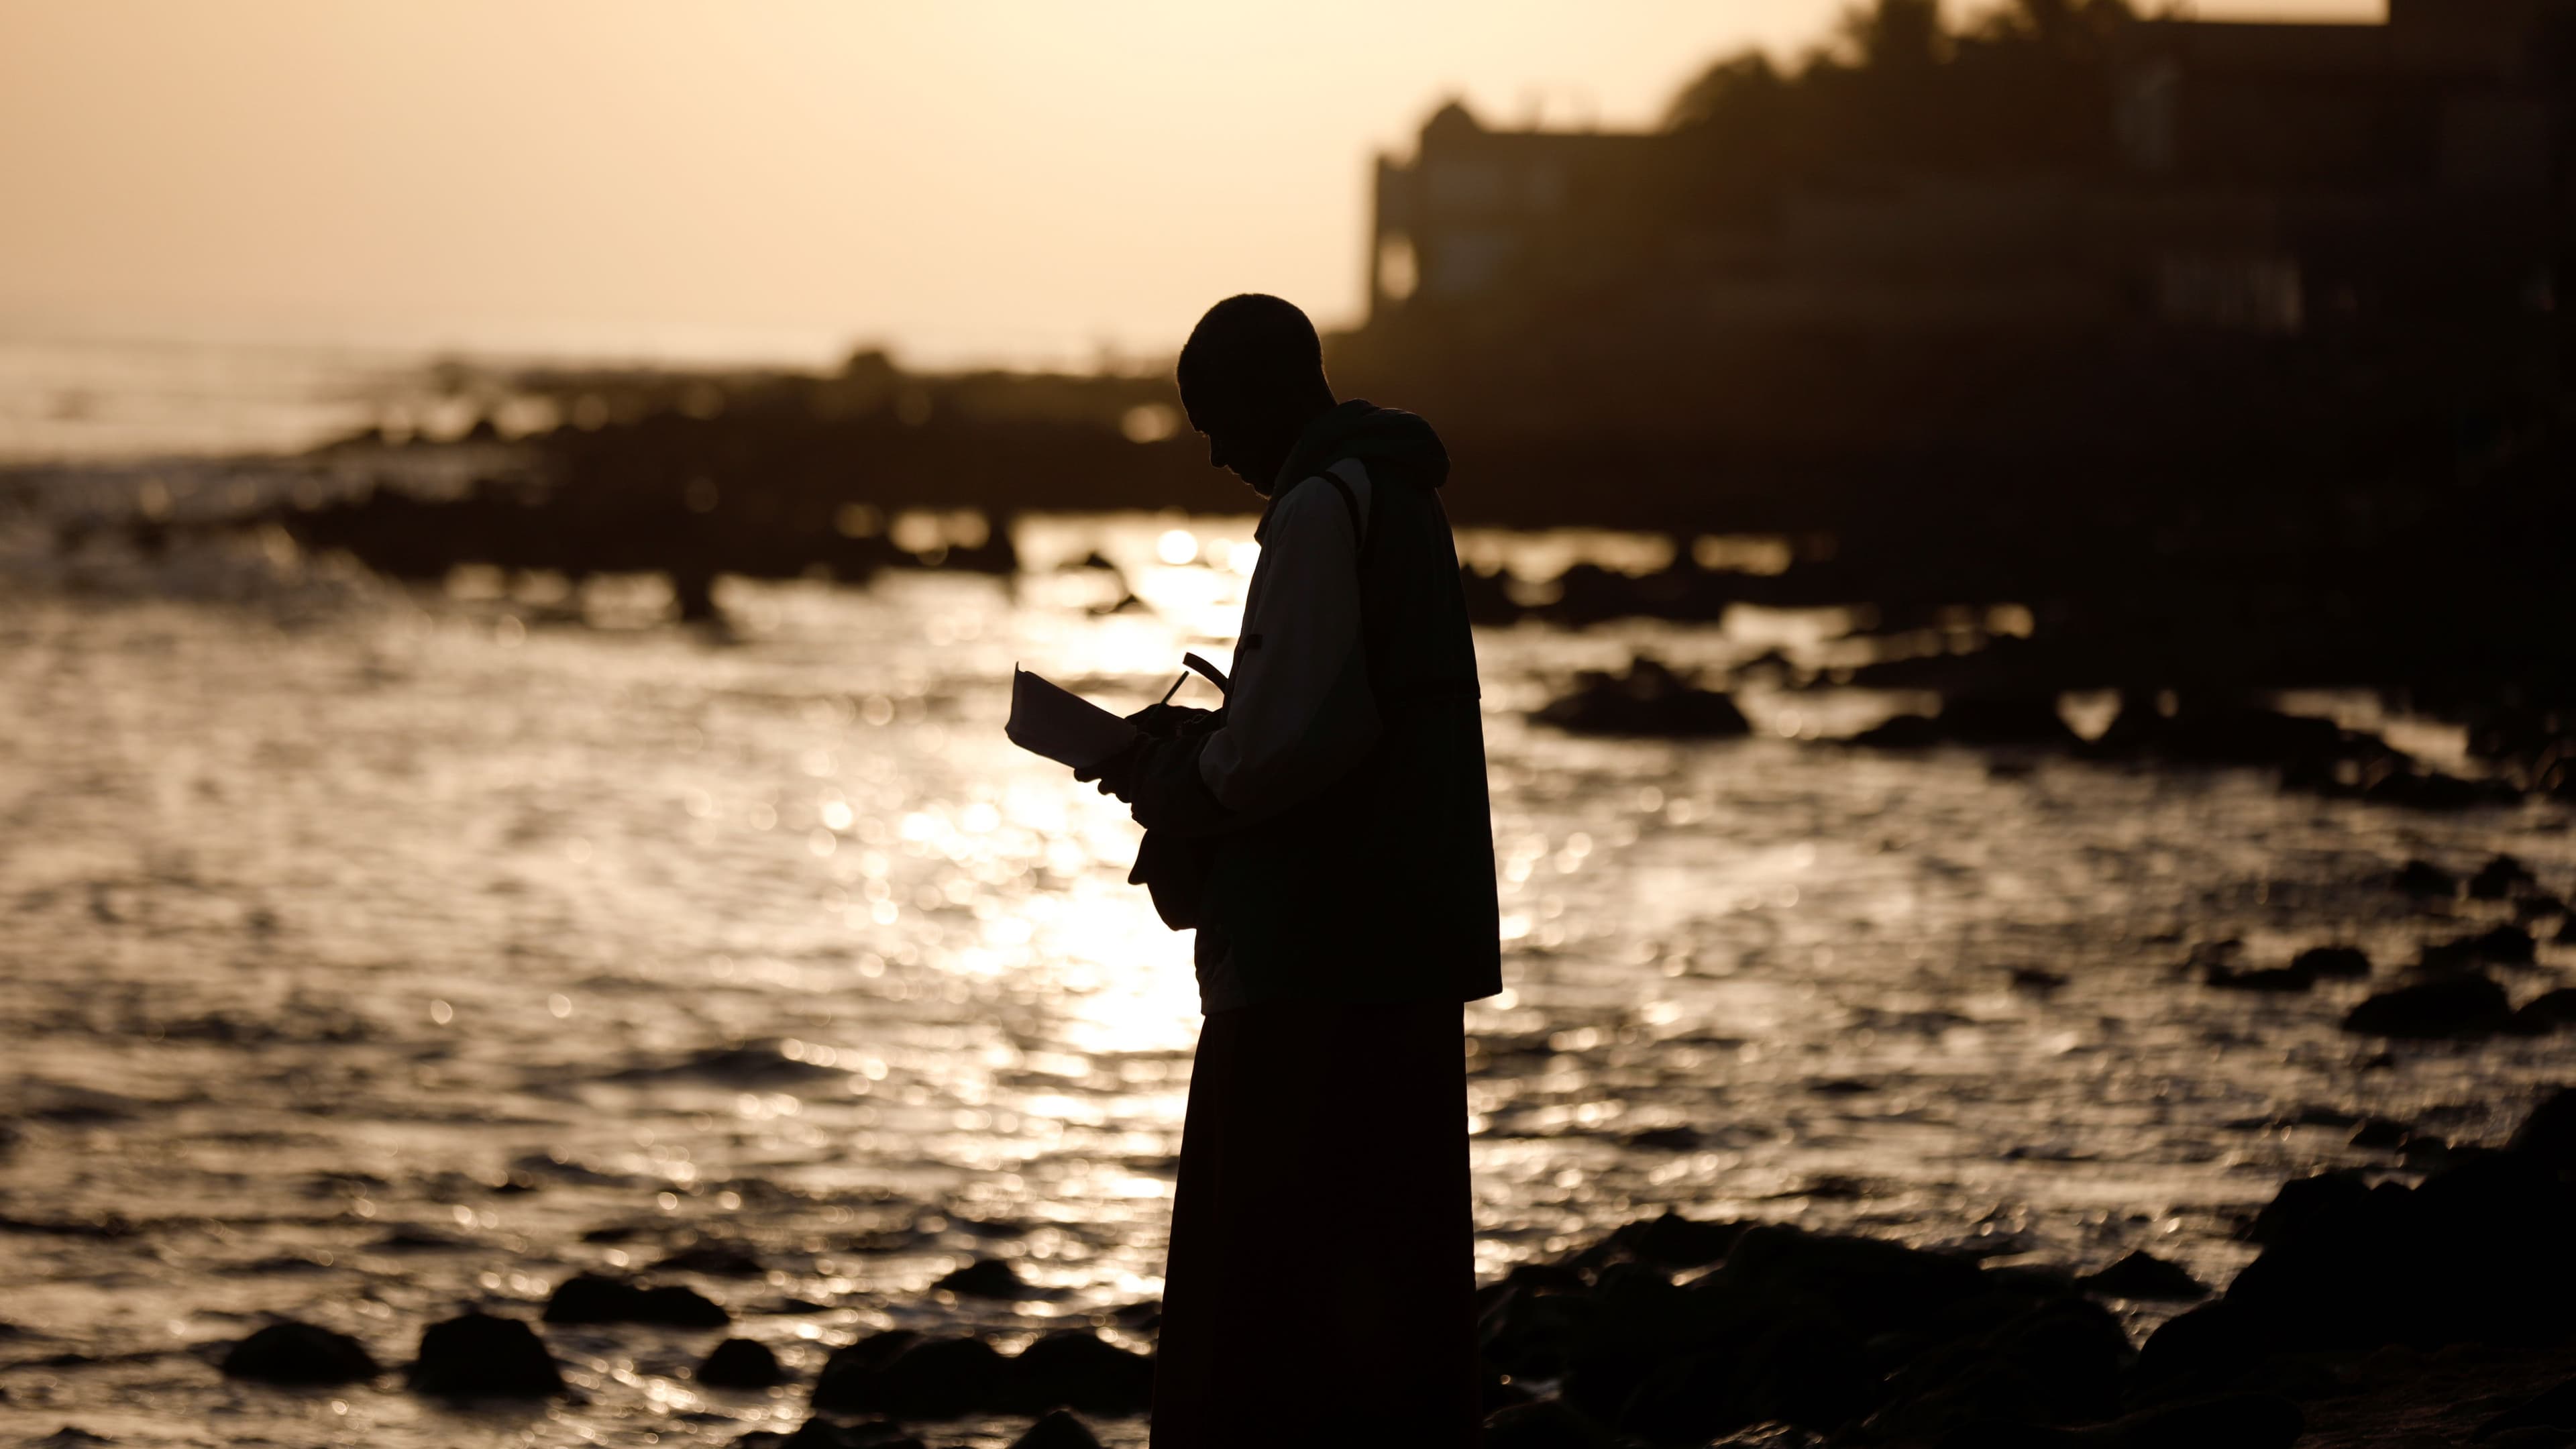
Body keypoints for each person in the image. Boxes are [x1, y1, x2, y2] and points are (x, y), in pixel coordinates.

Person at [1075, 293, 1501, 1448]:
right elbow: (1344, 717)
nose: (1216, 452)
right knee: (1389, 1262)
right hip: (1406, 936)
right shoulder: (1402, 498)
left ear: (1273, 391)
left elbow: (1285, 746)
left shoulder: (1324, 508)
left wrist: (1165, 780)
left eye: (1217, 420)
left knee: (1271, 1282)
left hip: (1317, 953)